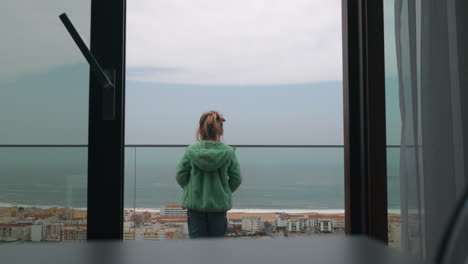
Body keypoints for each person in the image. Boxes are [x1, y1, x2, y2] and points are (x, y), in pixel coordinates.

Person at [176, 111, 242, 239]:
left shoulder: (191, 151)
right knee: (217, 247)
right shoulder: (228, 152)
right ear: (220, 131)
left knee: (197, 247)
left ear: (200, 131)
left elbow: (180, 175)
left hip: (195, 206)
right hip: (218, 206)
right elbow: (236, 179)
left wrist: (191, 190)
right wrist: (224, 191)